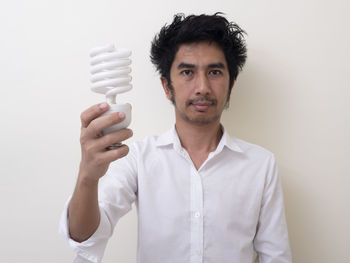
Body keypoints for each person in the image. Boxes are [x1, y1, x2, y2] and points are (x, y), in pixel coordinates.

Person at [60, 13, 292, 263]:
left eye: (214, 72)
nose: (202, 87)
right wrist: (87, 175)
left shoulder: (261, 164)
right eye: (187, 72)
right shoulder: (138, 158)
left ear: (231, 84)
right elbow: (86, 239)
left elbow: (276, 257)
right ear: (166, 86)